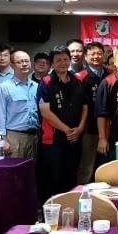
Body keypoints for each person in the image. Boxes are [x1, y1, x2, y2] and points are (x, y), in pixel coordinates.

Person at [37, 45, 87, 200]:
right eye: (58, 60)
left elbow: (85, 107)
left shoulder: (78, 80)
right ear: (52, 63)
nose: (63, 63)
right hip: (53, 139)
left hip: (75, 137)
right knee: (52, 177)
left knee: (71, 175)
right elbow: (45, 112)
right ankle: (50, 209)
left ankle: (69, 207)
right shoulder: (46, 82)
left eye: (66, 59)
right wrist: (67, 130)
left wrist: (80, 128)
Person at [0, 50, 39, 160]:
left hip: (34, 137)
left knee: (32, 169)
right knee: (13, 169)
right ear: (12, 65)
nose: (24, 64)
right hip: (13, 137)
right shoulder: (4, 87)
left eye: (27, 61)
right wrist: (2, 139)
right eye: (20, 62)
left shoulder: (36, 86)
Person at [74, 42, 107, 182]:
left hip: (109, 127)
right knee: (87, 165)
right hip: (89, 128)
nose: (96, 56)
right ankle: (82, 192)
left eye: (99, 53)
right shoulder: (79, 77)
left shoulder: (111, 74)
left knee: (106, 166)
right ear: (85, 57)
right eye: (92, 54)